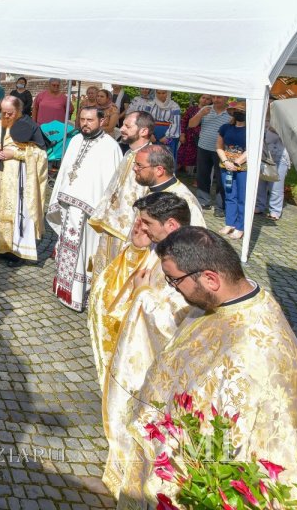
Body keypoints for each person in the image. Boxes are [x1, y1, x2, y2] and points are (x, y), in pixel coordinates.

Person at [116, 227, 297, 507]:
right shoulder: (221, 301)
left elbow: (236, 442)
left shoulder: (257, 351)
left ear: (210, 278)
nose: (173, 288)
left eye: (174, 281)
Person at [95, 193, 192, 494]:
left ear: (172, 224)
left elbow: (173, 324)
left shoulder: (186, 260)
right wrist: (138, 249)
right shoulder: (163, 247)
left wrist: (142, 295)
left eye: (148, 223)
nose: (142, 227)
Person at [47, 106, 124, 311]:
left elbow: (111, 183)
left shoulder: (110, 147)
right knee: (67, 246)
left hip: (90, 212)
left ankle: (81, 294)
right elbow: (65, 171)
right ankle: (64, 289)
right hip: (68, 207)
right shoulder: (75, 140)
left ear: (101, 121)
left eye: (90, 120)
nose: (85, 124)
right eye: (82, 119)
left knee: (86, 251)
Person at [0, 97, 48, 260]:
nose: (6, 116)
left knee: (16, 211)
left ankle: (16, 250)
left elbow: (40, 154)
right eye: (3, 112)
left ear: (19, 111)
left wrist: (15, 153)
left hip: (18, 179)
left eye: (10, 113)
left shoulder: (30, 126)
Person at [87, 110, 154, 276]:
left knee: (121, 276)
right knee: (104, 272)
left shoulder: (153, 159)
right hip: (110, 224)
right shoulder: (129, 153)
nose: (122, 128)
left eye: (127, 126)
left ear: (143, 131)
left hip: (129, 232)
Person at [131, 144, 205, 226]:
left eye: (139, 165)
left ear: (159, 170)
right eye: (135, 164)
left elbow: (195, 236)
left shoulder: (184, 200)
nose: (134, 168)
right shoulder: (152, 188)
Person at [189, 94, 230, 209]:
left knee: (221, 178)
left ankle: (220, 205)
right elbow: (191, 124)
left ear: (226, 98)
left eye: (219, 97)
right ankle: (203, 201)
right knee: (203, 175)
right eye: (214, 97)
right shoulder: (205, 109)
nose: (215, 100)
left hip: (222, 150)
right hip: (203, 147)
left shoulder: (231, 112)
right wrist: (201, 114)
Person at [217, 104, 249, 239]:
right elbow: (219, 146)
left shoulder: (251, 130)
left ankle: (240, 226)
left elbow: (251, 149)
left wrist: (237, 162)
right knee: (230, 195)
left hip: (243, 168)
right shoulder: (225, 128)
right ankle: (230, 223)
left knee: (242, 197)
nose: (239, 113)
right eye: (237, 111)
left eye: (242, 111)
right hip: (226, 166)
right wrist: (225, 161)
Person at [256, 101, 289, 220]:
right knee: (260, 182)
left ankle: (275, 210)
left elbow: (269, 138)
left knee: (275, 185)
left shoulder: (283, 121)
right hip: (263, 155)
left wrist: (271, 129)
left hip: (278, 157)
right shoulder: (260, 117)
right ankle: (259, 206)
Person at [176, 94, 209, 172]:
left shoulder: (210, 111)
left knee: (201, 158)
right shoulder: (192, 109)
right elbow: (184, 122)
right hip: (189, 136)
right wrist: (182, 134)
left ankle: (197, 178)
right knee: (181, 155)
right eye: (203, 97)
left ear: (211, 101)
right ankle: (174, 172)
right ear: (199, 98)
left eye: (208, 99)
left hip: (202, 137)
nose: (204, 100)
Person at [147, 89, 182, 158]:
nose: (161, 95)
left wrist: (168, 137)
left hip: (169, 135)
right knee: (152, 156)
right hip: (153, 134)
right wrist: (149, 134)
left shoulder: (174, 106)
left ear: (168, 93)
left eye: (163, 93)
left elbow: (176, 123)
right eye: (158, 93)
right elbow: (146, 119)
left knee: (166, 156)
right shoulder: (150, 104)